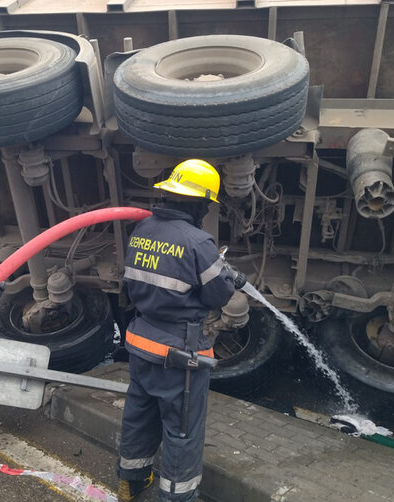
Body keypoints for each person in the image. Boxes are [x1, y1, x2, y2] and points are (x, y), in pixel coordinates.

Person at [116, 159, 245, 502]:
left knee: (139, 416)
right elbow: (219, 293)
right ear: (199, 203)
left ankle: (130, 482)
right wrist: (230, 277)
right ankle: (177, 497)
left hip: (141, 342)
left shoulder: (142, 231)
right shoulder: (198, 242)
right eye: (206, 203)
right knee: (182, 432)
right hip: (178, 354)